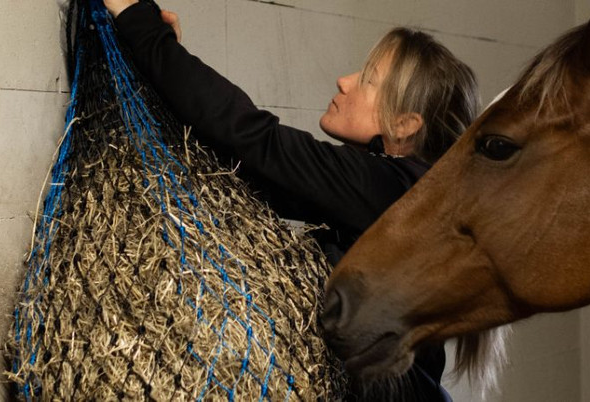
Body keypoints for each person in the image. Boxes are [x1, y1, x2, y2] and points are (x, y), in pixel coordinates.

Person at [103, 1, 479, 400]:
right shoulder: (398, 188)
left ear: (404, 125)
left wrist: (136, 18)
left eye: (368, 80)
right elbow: (241, 167)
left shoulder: (396, 191)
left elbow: (253, 137)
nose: (343, 81)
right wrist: (161, 55)